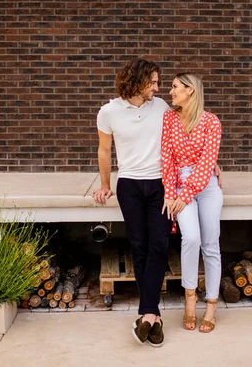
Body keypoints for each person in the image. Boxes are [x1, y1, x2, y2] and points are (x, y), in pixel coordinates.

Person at [93, 58, 172, 347]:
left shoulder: (161, 107)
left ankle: (146, 314)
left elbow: (185, 135)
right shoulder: (109, 111)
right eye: (152, 81)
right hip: (128, 185)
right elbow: (104, 151)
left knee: (160, 244)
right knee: (138, 246)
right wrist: (104, 185)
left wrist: (210, 162)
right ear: (136, 81)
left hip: (160, 184)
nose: (157, 87)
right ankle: (155, 315)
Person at [161, 72, 223, 334]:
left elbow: (208, 163)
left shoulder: (211, 122)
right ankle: (189, 297)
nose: (171, 92)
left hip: (206, 185)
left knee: (210, 244)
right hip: (179, 183)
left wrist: (183, 197)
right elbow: (166, 158)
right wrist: (169, 193)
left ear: (191, 91)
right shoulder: (169, 119)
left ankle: (211, 304)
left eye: (176, 87)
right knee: (191, 239)